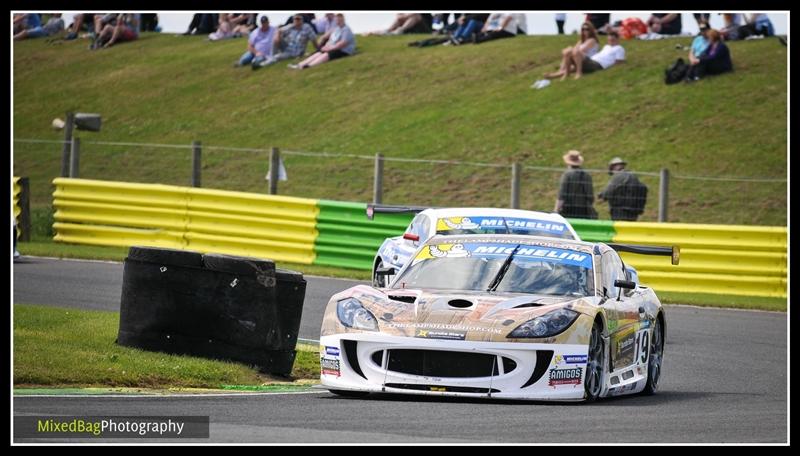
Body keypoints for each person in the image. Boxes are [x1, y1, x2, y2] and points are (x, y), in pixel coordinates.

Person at [289, 14, 355, 70]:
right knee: (319, 52)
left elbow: (342, 44)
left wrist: (329, 48)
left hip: (344, 51)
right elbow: (331, 39)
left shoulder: (346, 30)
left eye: (339, 20)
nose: (338, 22)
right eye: (337, 20)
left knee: (326, 54)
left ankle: (309, 66)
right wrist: (327, 46)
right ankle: (300, 65)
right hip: (335, 48)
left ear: (343, 20)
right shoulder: (337, 29)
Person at [556, 150, 596, 219]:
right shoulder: (587, 175)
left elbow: (561, 195)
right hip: (584, 209)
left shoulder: (567, 175)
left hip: (568, 209)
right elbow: (590, 196)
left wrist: (556, 210)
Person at [369, 13, 433, 35]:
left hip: (424, 28)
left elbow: (415, 13)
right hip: (409, 25)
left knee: (415, 16)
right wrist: (402, 17)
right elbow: (398, 15)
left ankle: (400, 30)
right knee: (399, 19)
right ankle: (389, 30)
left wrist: (404, 16)